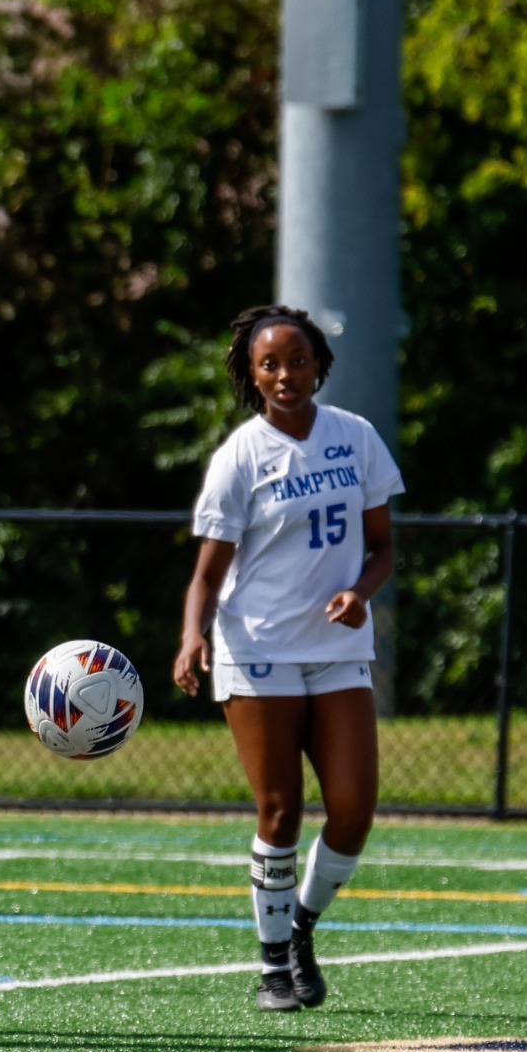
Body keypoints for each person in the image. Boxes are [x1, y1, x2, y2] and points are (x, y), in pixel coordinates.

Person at [173, 305, 402, 1013]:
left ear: (317, 365)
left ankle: (300, 924)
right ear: (251, 373)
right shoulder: (241, 455)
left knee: (355, 809)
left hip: (336, 647)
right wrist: (192, 635)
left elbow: (384, 547)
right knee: (280, 810)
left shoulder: (356, 437)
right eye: (268, 363)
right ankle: (274, 964)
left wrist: (361, 593)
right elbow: (208, 573)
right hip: (260, 646)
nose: (284, 375)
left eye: (296, 360)